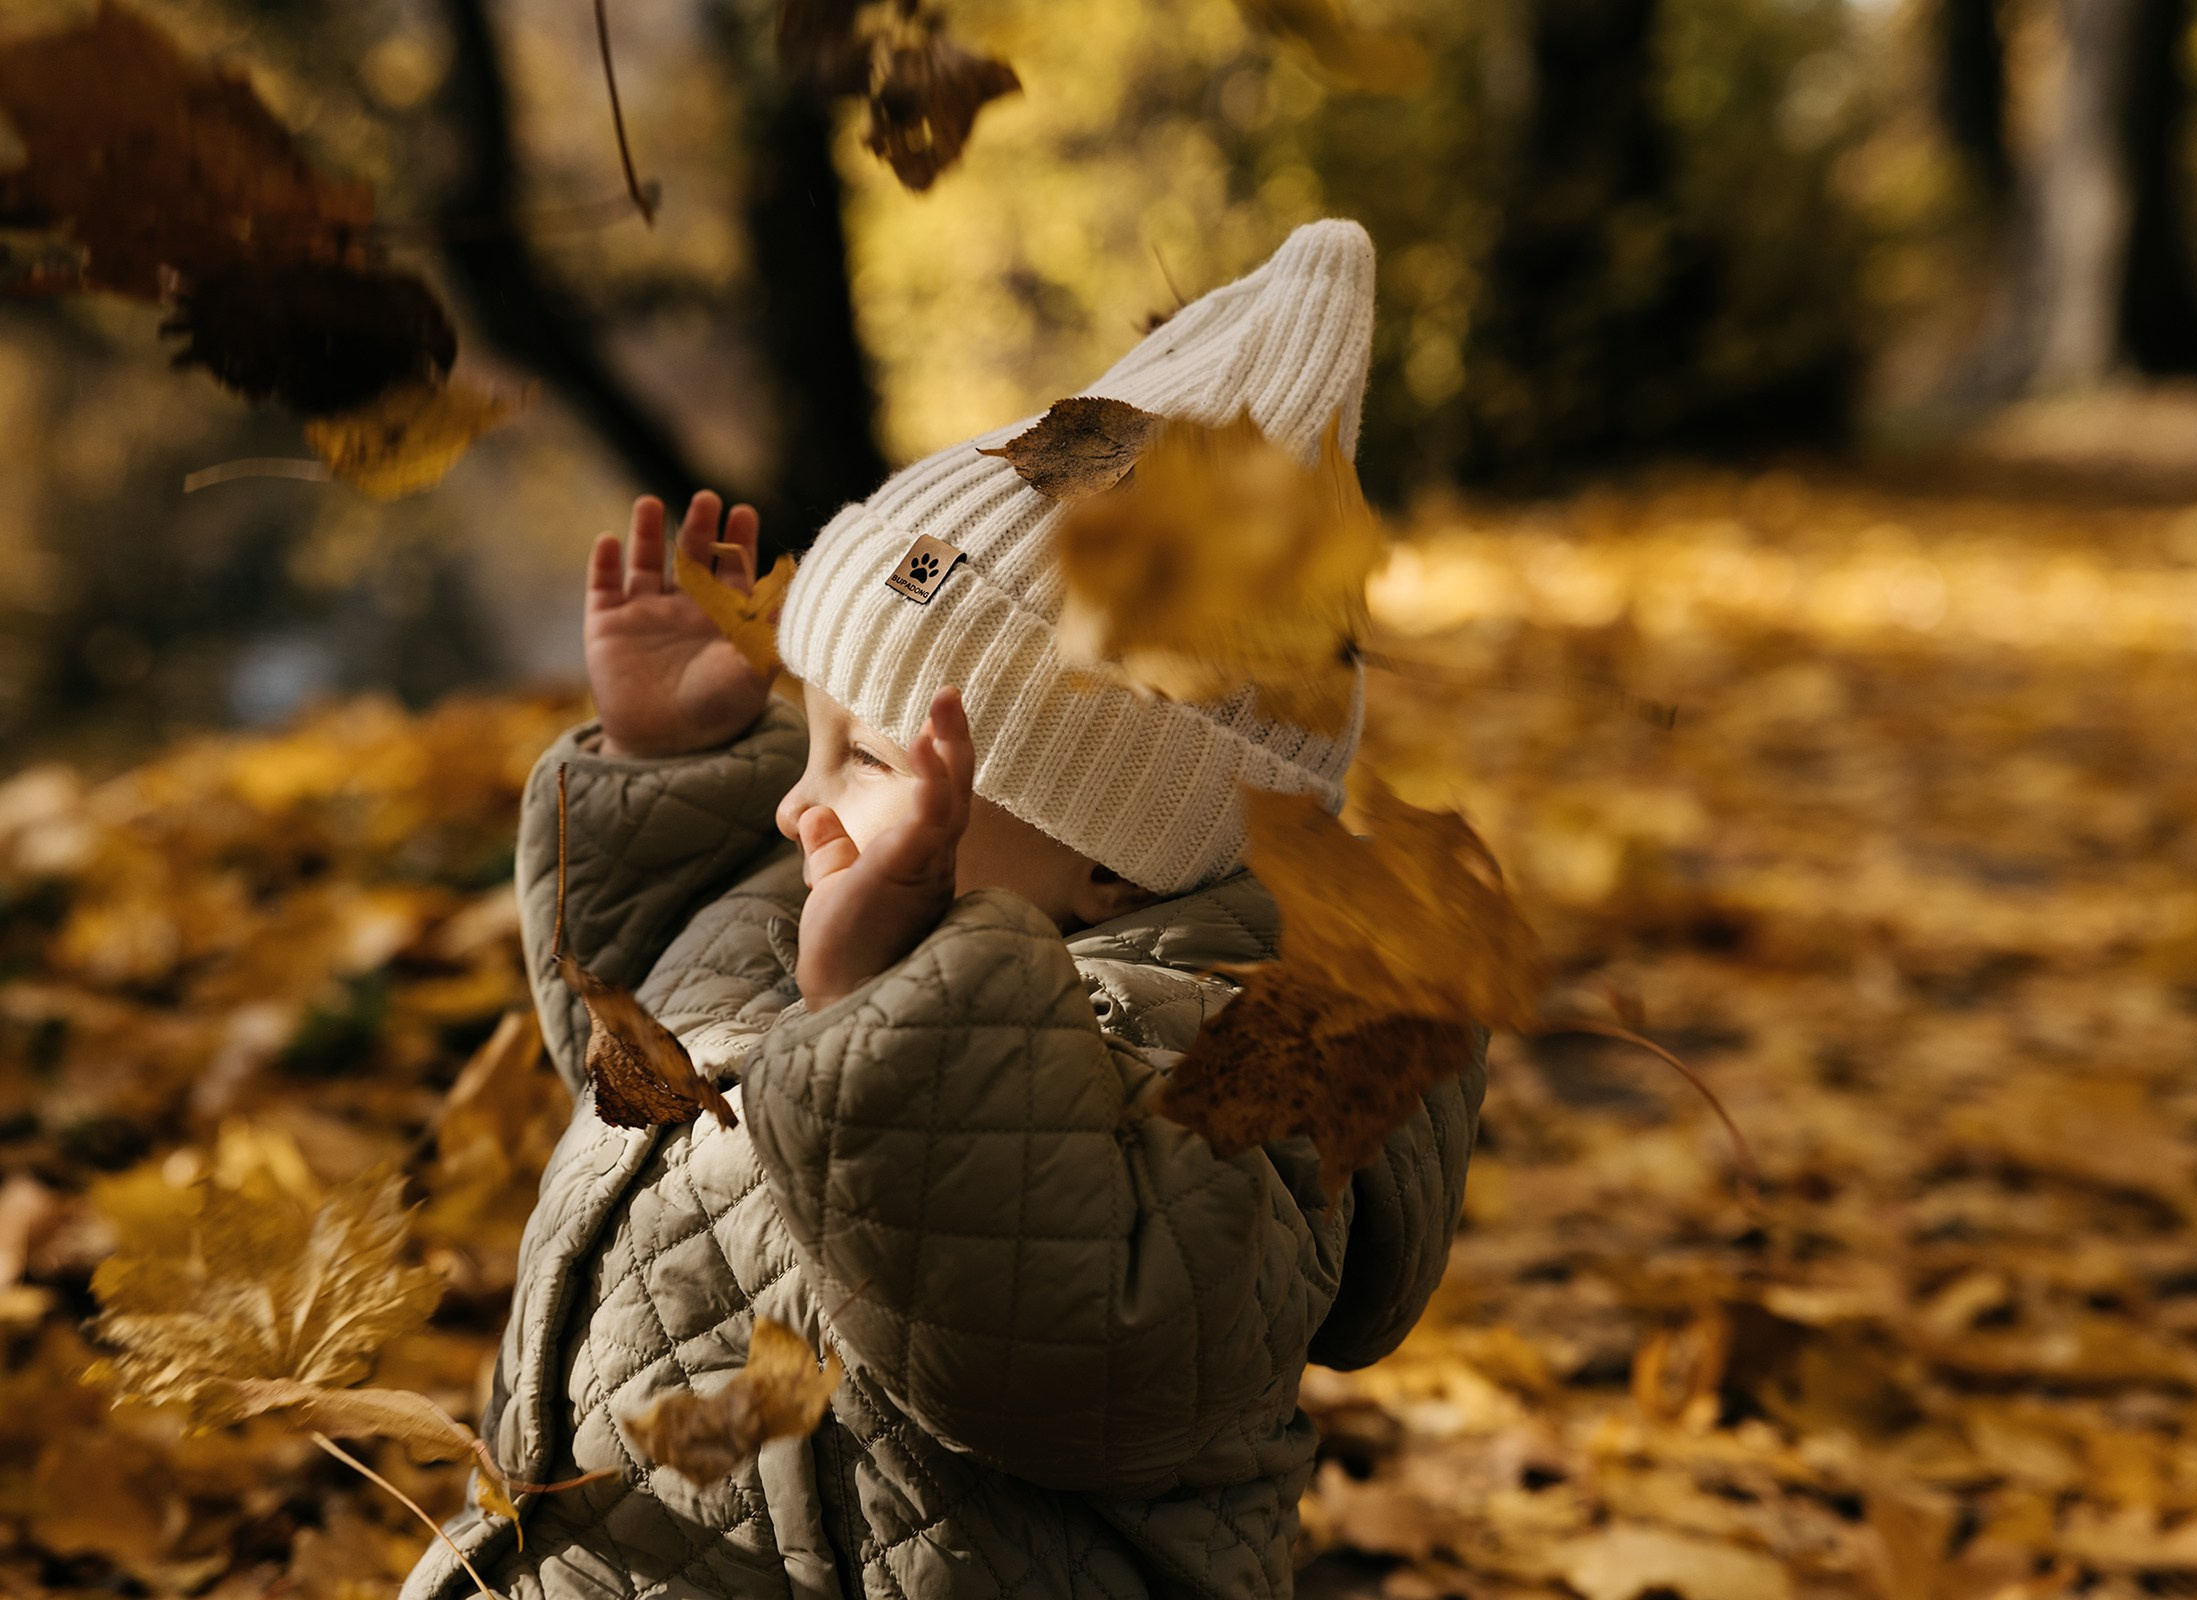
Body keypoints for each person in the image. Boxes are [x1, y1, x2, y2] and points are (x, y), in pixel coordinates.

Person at [401, 219, 1483, 1600]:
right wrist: (672, 770)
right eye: (811, 733)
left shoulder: (1237, 1068)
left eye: (862, 753)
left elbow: (1092, 1344)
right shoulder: (834, 899)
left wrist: (876, 1019)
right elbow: (640, 1072)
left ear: (1112, 848)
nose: (804, 809)